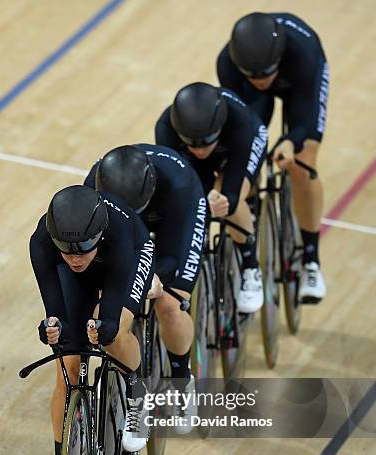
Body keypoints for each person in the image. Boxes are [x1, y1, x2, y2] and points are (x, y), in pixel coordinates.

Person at [30, 184, 154, 455]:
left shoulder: (118, 235)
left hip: (127, 257)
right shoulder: (43, 243)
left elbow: (112, 315)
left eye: (83, 247)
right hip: (79, 279)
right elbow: (54, 311)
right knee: (67, 366)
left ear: (97, 235)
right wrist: (51, 329)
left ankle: (138, 394)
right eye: (67, 249)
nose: (75, 255)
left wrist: (103, 326)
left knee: (112, 335)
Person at [85, 144, 207, 431]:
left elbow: (173, 259)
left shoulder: (178, 187)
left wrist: (152, 275)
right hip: (123, 231)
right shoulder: (93, 185)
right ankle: (131, 386)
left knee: (169, 304)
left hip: (173, 221)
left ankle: (181, 378)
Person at [217, 12, 329, 302]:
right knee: (239, 160)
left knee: (303, 162)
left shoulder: (303, 52)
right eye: (253, 74)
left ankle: (311, 260)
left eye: (266, 73)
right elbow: (240, 130)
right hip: (253, 97)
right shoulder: (228, 63)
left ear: (277, 60)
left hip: (300, 84)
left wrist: (292, 141)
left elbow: (308, 118)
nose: (261, 79)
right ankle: (249, 212)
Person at [155, 81, 267, 313]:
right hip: (199, 161)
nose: (199, 148)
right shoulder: (166, 128)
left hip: (242, 145)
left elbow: (234, 185)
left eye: (206, 141)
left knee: (229, 202)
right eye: (193, 143)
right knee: (191, 204)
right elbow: (177, 182)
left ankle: (250, 267)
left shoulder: (239, 122)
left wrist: (226, 199)